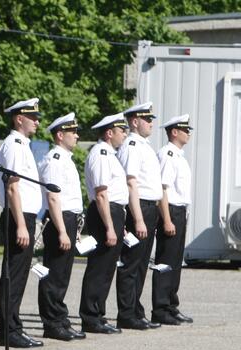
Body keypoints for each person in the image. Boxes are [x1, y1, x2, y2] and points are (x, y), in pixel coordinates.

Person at [0, 98, 44, 348]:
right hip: (18, 216)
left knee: (18, 273)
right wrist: (22, 225)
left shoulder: (23, 144)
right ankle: (9, 330)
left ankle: (13, 326)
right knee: (13, 273)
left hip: (24, 215)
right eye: (32, 117)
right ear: (19, 119)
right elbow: (12, 187)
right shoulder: (14, 145)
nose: (37, 121)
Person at [77, 113, 129, 334]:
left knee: (107, 268)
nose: (124, 135)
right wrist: (109, 226)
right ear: (110, 133)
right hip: (104, 213)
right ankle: (90, 316)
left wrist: (119, 223)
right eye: (121, 131)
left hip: (114, 212)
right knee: (99, 267)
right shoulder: (100, 154)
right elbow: (101, 194)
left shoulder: (110, 154)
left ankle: (98, 314)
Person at [37, 113, 85, 341]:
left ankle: (60, 319)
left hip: (69, 218)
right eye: (72, 132)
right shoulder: (54, 159)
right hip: (59, 220)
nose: (76, 135)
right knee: (54, 273)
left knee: (63, 273)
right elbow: (53, 198)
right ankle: (52, 323)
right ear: (60, 135)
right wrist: (63, 231)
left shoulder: (65, 158)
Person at [116, 102, 164, 330]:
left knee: (142, 263)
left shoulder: (144, 146)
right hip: (140, 208)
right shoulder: (132, 145)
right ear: (135, 122)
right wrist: (138, 219)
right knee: (131, 263)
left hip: (149, 207)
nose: (151, 123)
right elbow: (130, 182)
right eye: (147, 119)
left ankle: (135, 310)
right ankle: (126, 313)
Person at [151, 114, 194, 325]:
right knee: (165, 262)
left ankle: (170, 305)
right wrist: (167, 219)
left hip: (179, 211)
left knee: (175, 262)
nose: (189, 133)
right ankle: (160, 308)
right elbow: (163, 188)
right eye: (185, 130)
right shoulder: (167, 154)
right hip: (171, 211)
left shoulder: (179, 155)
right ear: (174, 132)